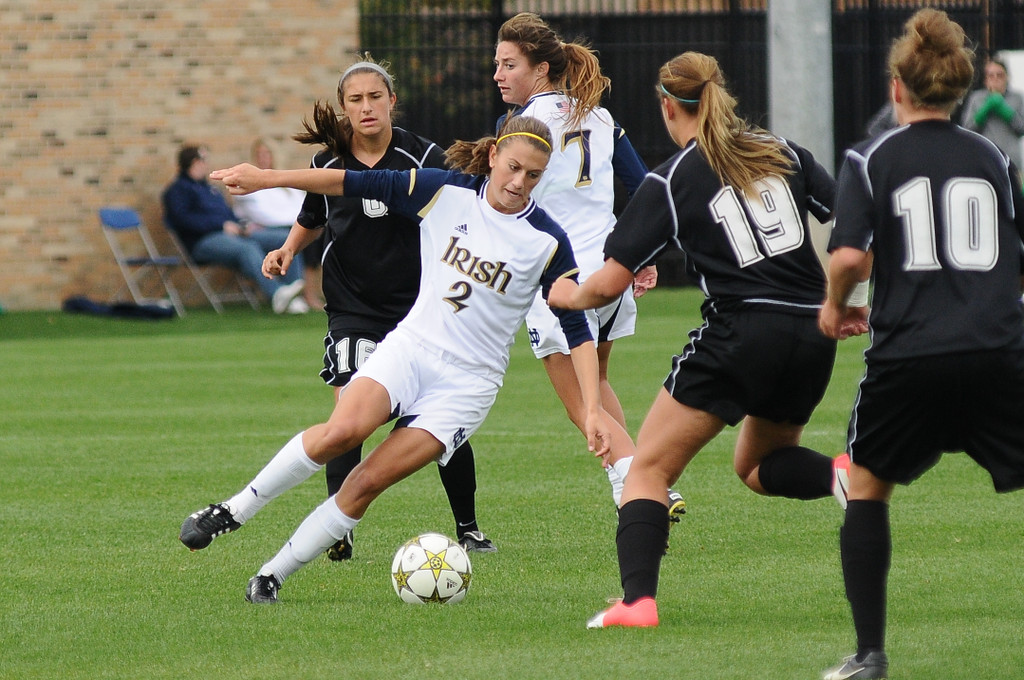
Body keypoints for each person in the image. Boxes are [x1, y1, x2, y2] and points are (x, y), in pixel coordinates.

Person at [180, 115, 616, 605]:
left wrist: (593, 411)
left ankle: (271, 576)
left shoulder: (547, 240)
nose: (518, 182)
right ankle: (230, 511)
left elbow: (577, 328)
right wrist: (268, 178)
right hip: (411, 348)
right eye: (513, 167)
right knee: (342, 433)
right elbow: (347, 181)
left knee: (365, 483)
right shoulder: (444, 190)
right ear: (493, 155)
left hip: (468, 385)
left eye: (533, 175)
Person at [548, 50, 856, 629]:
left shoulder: (673, 178)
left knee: (648, 472)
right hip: (812, 331)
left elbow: (605, 286)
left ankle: (637, 603)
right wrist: (848, 301)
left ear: (668, 107)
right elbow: (853, 218)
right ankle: (843, 473)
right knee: (760, 463)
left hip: (742, 331)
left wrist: (564, 294)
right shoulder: (781, 150)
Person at [818, 9, 1024, 679]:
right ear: (959, 91)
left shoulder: (870, 157)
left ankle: (870, 655)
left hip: (907, 357)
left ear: (897, 88)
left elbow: (848, 256)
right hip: (996, 351)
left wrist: (834, 307)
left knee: (869, 485)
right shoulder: (989, 155)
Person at [263, 57, 496, 557]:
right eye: (355, 100)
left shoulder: (423, 156)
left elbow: (465, 211)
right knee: (348, 416)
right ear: (344, 108)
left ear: (392, 101)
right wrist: (287, 249)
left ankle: (469, 528)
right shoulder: (327, 162)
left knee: (435, 419)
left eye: (375, 97)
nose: (366, 107)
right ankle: (337, 529)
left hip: (420, 313)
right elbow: (312, 215)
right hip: (352, 307)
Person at [493, 12, 683, 519]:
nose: (498, 75)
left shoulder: (520, 127)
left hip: (555, 276)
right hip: (608, 269)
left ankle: (644, 482)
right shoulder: (600, 117)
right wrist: (639, 256)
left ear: (540, 70)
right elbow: (645, 188)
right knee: (595, 383)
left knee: (581, 402)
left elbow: (502, 203)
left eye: (509, 64)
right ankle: (642, 478)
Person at [161, 144, 307, 314]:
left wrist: (243, 226)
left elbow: (227, 214)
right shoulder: (176, 191)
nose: (206, 164)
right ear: (193, 162)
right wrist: (220, 226)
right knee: (247, 249)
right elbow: (183, 220)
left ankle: (293, 292)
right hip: (203, 241)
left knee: (284, 238)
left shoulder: (209, 189)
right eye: (203, 160)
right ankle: (277, 293)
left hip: (234, 235)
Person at [235, 138, 323, 311]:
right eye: (259, 155)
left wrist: (299, 222)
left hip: (288, 226)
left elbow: (304, 207)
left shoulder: (285, 183)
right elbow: (263, 215)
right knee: (293, 237)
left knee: (318, 234)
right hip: (261, 231)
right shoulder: (249, 183)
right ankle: (296, 290)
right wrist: (296, 221)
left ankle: (307, 293)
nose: (263, 158)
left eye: (267, 154)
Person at [960, 57, 1024, 168]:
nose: (995, 79)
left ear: (1007, 78)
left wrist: (1005, 111)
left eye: (999, 75)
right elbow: (967, 129)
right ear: (985, 80)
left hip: (1012, 162)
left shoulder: (1016, 98)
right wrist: (984, 110)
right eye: (991, 75)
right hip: (985, 160)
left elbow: (1022, 128)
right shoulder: (976, 98)